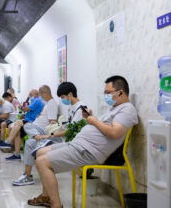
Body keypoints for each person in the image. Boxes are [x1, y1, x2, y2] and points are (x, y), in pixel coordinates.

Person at [28, 76, 139, 207]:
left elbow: (115, 132)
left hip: (88, 150)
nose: (105, 96)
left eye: (108, 92)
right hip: (79, 145)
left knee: (42, 162)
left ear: (120, 92)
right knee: (40, 152)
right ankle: (46, 196)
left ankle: (56, 204)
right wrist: (91, 118)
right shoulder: (114, 108)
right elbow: (104, 128)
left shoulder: (127, 109)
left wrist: (94, 121)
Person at [13, 82, 83, 186]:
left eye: (63, 97)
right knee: (29, 142)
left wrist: (50, 135)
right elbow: (66, 125)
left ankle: (29, 176)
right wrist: (57, 128)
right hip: (53, 133)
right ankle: (27, 176)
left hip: (62, 140)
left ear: (70, 94)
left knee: (31, 139)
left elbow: (70, 130)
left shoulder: (81, 108)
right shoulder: (71, 107)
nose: (62, 100)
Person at [0, 89, 44, 160]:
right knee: (16, 131)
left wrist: (21, 107)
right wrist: (24, 115)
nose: (29, 97)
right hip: (28, 119)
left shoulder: (37, 100)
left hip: (31, 122)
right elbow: (31, 111)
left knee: (17, 123)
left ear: (34, 95)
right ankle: (16, 154)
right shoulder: (35, 101)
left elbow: (26, 109)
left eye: (30, 95)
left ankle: (8, 142)